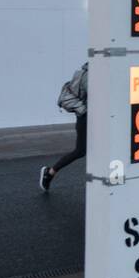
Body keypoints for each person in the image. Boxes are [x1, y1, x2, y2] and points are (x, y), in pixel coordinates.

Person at [40, 61, 88, 192]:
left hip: (93, 118)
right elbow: (97, 99)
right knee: (80, 151)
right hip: (86, 118)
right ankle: (50, 172)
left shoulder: (89, 73)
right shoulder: (89, 76)